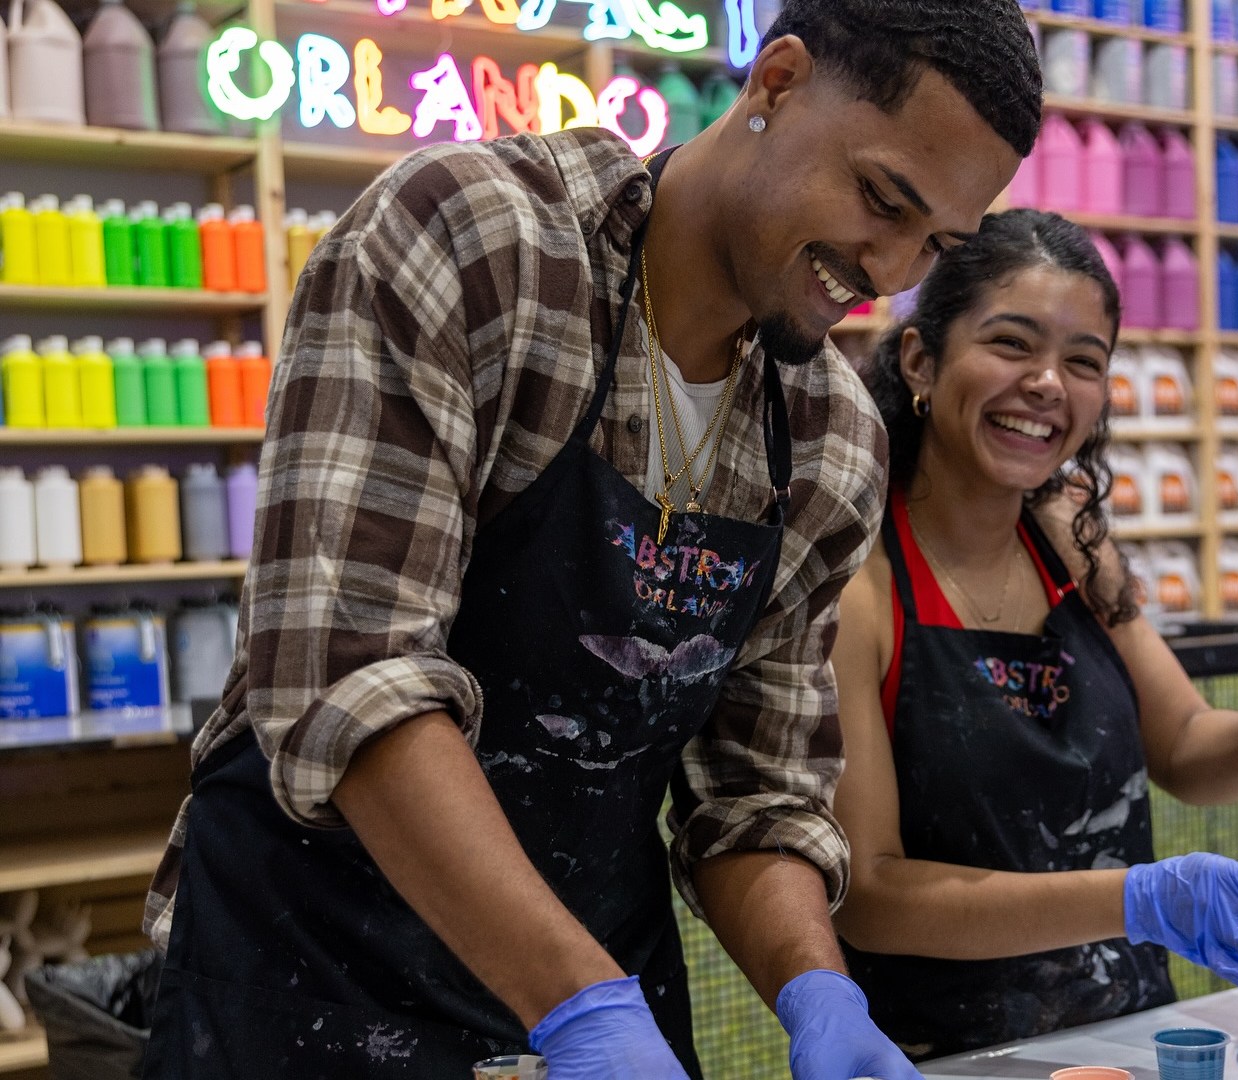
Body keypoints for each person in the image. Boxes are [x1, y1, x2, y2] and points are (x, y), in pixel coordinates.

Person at [137, 3, 1044, 1078]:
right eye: (881, 199)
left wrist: (818, 988)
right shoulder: (472, 244)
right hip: (310, 987)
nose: (889, 267)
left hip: (600, 996)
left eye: (935, 244)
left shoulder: (827, 439)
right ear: (780, 81)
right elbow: (353, 674)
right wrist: (581, 1009)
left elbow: (755, 794)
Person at [830, 208, 1238, 1063]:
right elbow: (871, 895)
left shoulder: (1071, 536)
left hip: (1134, 1041)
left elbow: (1186, 746)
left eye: (1084, 361)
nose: (1048, 383)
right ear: (921, 360)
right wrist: (1141, 900)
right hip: (949, 1057)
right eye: (1011, 344)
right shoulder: (858, 584)